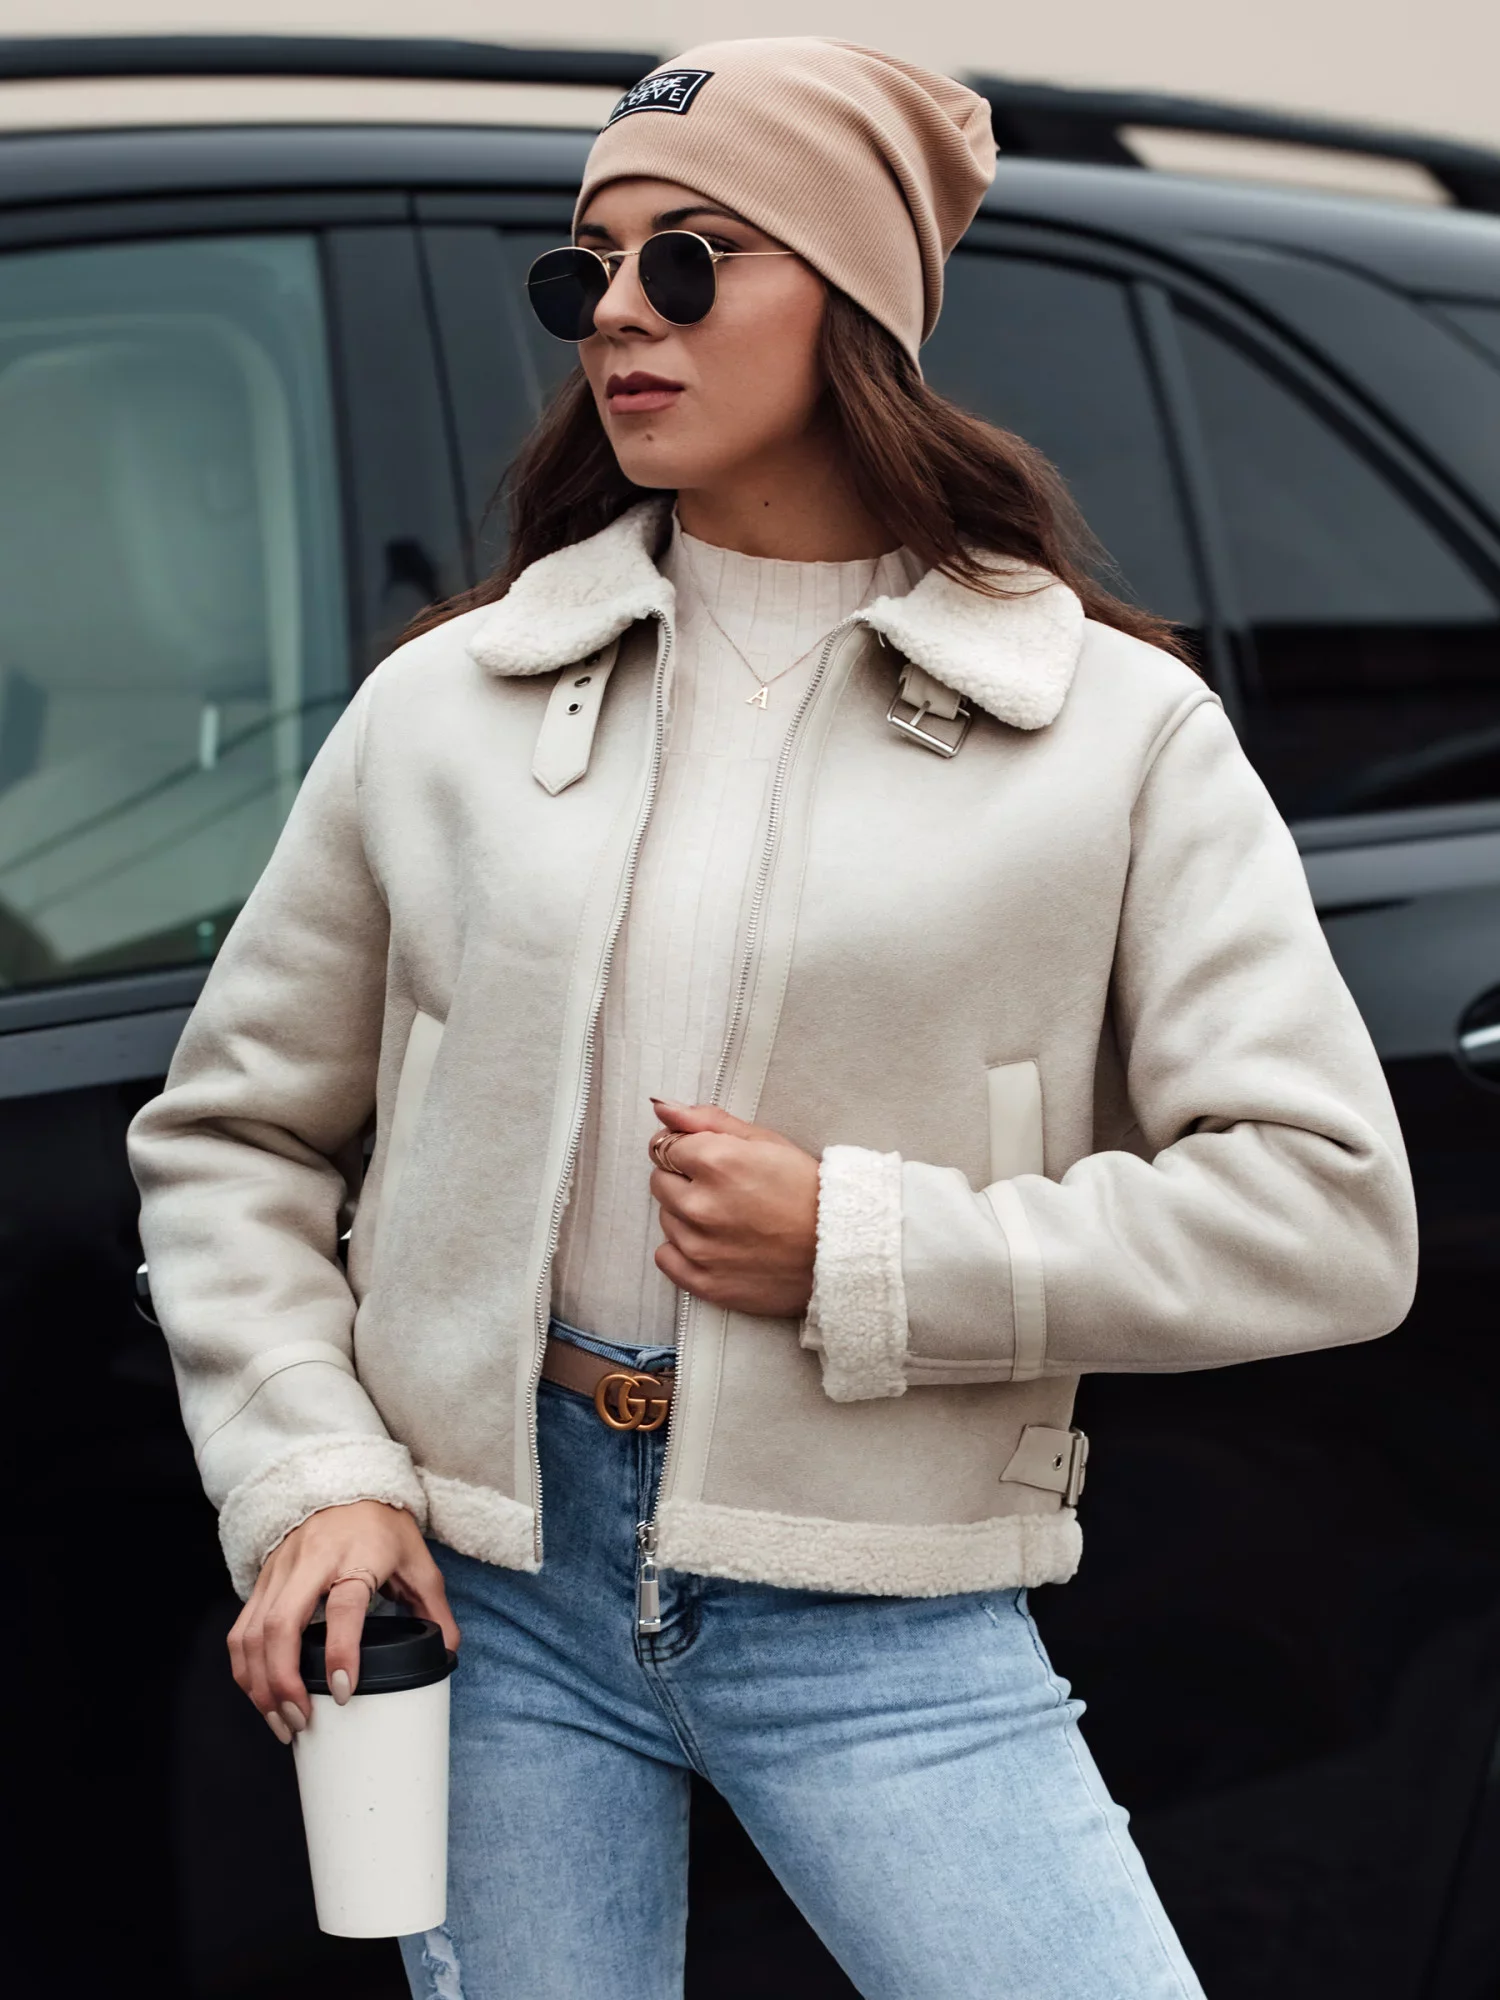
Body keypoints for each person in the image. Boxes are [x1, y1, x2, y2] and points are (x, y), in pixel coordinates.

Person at [129, 37, 1418, 2000]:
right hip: (488, 1593)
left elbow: (1328, 1208)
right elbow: (234, 1138)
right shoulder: (449, 704)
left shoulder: (1114, 733)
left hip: (883, 1618)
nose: (618, 316)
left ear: (858, 300)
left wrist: (862, 1245)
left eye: (688, 259)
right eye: (586, 270)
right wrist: (317, 1475)